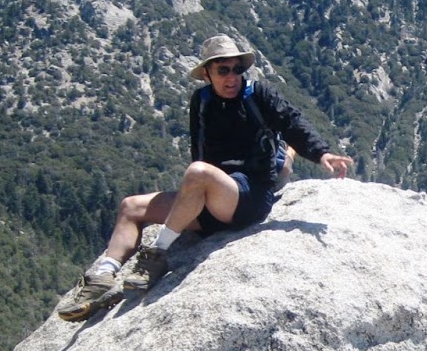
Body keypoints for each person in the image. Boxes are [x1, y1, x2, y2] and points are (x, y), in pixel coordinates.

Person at [57, 34, 355, 321]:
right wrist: (189, 201)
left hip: (248, 198)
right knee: (130, 207)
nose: (232, 76)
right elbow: (200, 150)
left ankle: (157, 254)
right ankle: (104, 275)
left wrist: (321, 153)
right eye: (223, 70)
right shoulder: (201, 101)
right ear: (207, 75)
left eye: (237, 69)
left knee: (199, 173)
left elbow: (292, 121)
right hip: (214, 196)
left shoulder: (258, 95)